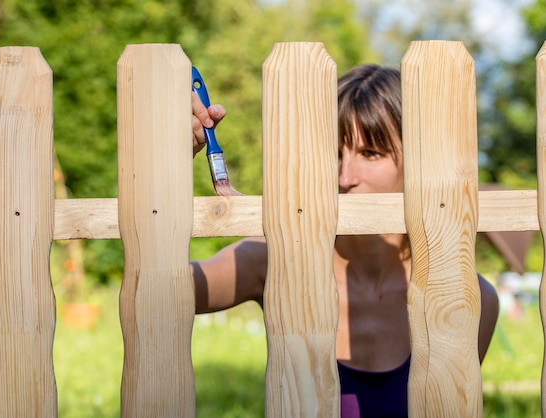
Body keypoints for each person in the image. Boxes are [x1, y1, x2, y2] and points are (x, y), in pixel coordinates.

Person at [190, 64, 499, 418]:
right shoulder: (275, 258)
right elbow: (157, 292)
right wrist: (176, 157)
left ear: (417, 163)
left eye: (371, 153)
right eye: (335, 152)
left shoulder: (468, 299)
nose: (345, 176)